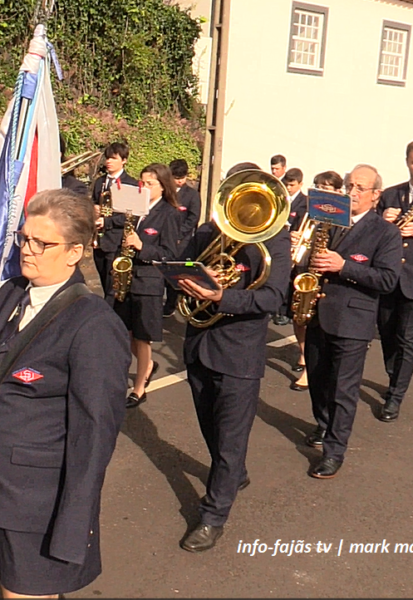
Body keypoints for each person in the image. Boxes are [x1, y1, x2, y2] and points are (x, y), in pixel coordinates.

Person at [0, 189, 130, 598]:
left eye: (43, 243)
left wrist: (74, 521)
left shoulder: (93, 326)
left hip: (35, 502)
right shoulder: (10, 294)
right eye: (25, 238)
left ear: (75, 252)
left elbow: (94, 435)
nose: (29, 250)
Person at [176, 162, 291, 552]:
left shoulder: (275, 241)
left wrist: (221, 296)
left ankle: (213, 516)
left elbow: (274, 298)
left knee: (230, 439)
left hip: (240, 352)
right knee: (211, 429)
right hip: (199, 344)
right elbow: (183, 270)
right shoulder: (209, 231)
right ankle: (234, 473)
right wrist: (190, 275)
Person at [304, 164, 401, 479]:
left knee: (343, 390)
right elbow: (311, 258)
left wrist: (344, 266)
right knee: (317, 381)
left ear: (376, 195)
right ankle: (323, 425)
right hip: (318, 312)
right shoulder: (329, 221)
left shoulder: (385, 232)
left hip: (353, 320)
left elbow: (387, 279)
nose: (352, 192)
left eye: (360, 188)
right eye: (349, 186)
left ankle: (334, 451)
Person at [118, 163, 180, 409]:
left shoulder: (170, 213)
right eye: (142, 182)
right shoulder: (136, 209)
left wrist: (142, 247)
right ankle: (149, 367)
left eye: (150, 183)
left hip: (149, 281)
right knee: (127, 333)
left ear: (164, 187)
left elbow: (170, 253)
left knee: (143, 337)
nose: (143, 187)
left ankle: (139, 388)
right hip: (128, 277)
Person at [287, 170, 343, 392]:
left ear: (338, 191)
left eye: (326, 188)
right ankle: (303, 353)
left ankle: (311, 367)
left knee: (316, 321)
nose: (321, 191)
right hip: (302, 268)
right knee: (298, 315)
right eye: (318, 186)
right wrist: (292, 238)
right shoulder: (305, 211)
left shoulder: (340, 216)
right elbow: (295, 233)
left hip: (322, 271)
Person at [377, 142, 413, 422]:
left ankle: (396, 395)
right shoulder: (391, 194)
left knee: (406, 339)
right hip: (388, 278)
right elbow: (370, 231)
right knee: (387, 334)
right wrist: (382, 222)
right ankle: (393, 376)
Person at [92, 141, 139, 306]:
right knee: (103, 279)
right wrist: (94, 210)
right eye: (107, 158)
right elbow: (92, 204)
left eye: (113, 158)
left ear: (124, 160)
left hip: (117, 241)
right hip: (99, 240)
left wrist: (106, 221)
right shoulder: (100, 182)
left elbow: (131, 216)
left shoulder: (130, 184)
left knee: (112, 285)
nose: (108, 162)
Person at [165, 159, 202, 316]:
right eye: (176, 178)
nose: (180, 181)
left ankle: (175, 302)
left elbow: (193, 218)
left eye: (182, 177)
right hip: (166, 238)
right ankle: (169, 302)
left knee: (179, 273)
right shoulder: (165, 193)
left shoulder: (192, 195)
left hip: (183, 241)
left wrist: (179, 236)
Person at [274, 168, 306, 327]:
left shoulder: (304, 202)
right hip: (279, 240)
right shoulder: (280, 197)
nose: (288, 188)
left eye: (292, 185)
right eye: (286, 184)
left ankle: (285, 310)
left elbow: (302, 224)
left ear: (300, 184)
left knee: (289, 278)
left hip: (293, 241)